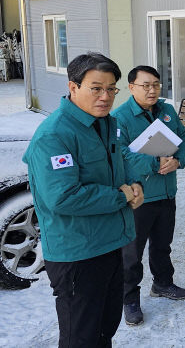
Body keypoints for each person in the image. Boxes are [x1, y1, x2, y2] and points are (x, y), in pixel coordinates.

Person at [22, 53, 142, 347]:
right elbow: (62, 197)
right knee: (81, 337)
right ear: (73, 87)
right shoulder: (54, 135)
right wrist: (119, 196)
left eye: (112, 88)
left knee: (104, 330)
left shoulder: (106, 123)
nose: (106, 96)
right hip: (77, 253)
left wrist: (133, 185)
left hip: (110, 243)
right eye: (96, 88)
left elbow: (118, 167)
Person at [112, 65, 185, 326]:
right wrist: (154, 163)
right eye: (145, 85)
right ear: (131, 87)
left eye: (156, 84)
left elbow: (184, 139)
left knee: (162, 245)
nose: (151, 90)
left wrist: (179, 161)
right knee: (131, 253)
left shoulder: (167, 111)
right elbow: (119, 153)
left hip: (167, 193)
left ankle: (162, 283)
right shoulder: (120, 117)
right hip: (139, 197)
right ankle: (129, 300)